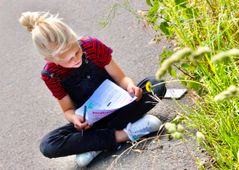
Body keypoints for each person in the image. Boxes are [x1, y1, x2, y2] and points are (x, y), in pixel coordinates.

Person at [19, 11, 166, 167]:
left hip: (119, 107)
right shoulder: (51, 74)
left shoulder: (92, 45)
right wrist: (75, 119)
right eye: (68, 60)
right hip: (92, 123)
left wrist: (130, 86)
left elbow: (121, 78)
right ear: (50, 60)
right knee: (48, 145)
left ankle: (95, 144)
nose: (76, 59)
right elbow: (68, 110)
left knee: (155, 84)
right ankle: (126, 134)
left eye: (76, 52)